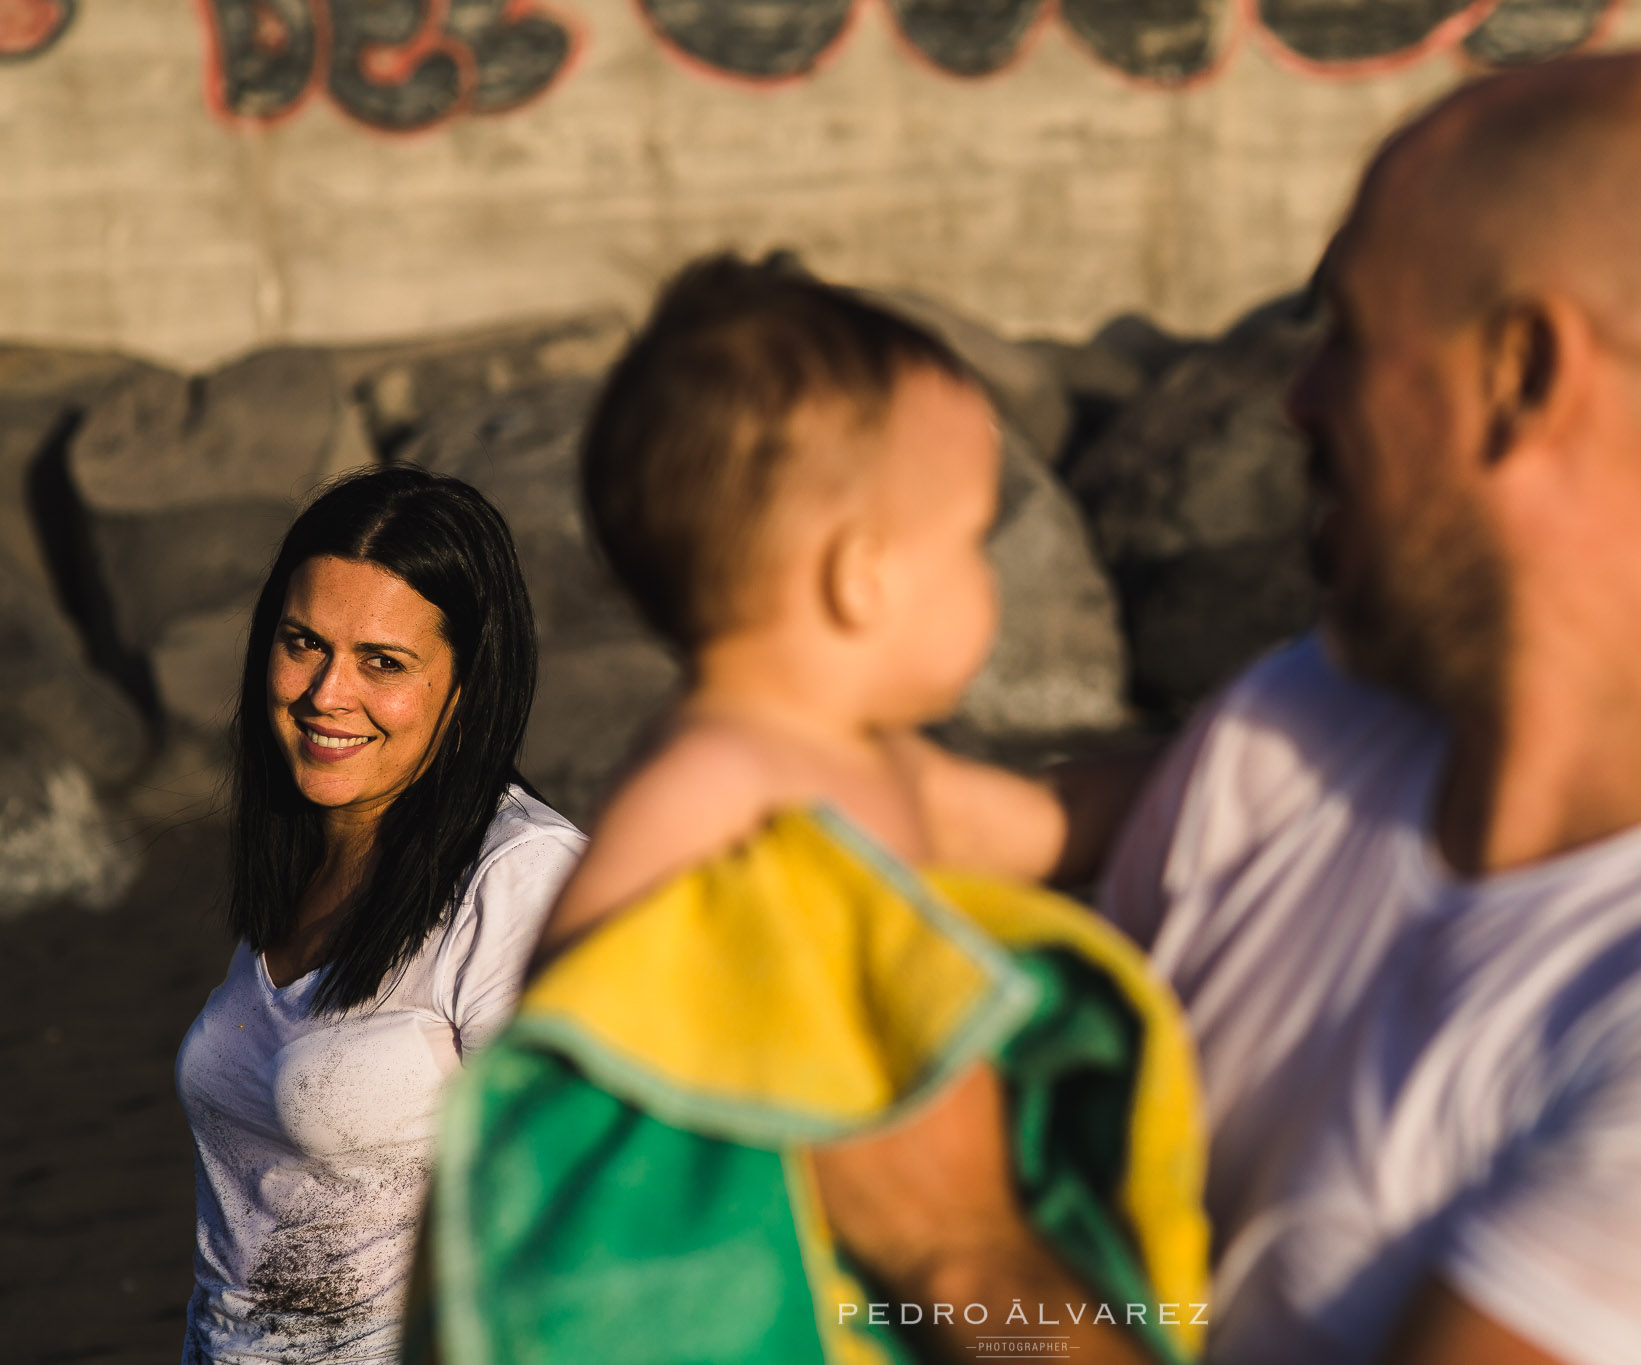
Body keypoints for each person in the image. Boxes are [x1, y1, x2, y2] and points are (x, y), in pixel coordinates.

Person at [819, 49, 1641, 1365]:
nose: (1299, 398)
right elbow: (986, 836)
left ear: (1523, 375)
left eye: (1345, 332)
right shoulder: (1306, 726)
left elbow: (975, 1228)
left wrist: (953, 1248)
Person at [408, 257, 1208, 1365]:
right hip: (752, 1260)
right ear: (862, 577)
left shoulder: (883, 770)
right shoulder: (710, 776)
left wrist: (1238, 757)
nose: (986, 580)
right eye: (971, 542)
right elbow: (585, 1020)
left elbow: (1056, 819)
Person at [176, 466, 585, 1365]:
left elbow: (586, 1220)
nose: (327, 693)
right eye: (303, 642)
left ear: (465, 687)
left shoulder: (517, 880)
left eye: (383, 662)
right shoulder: (308, 845)